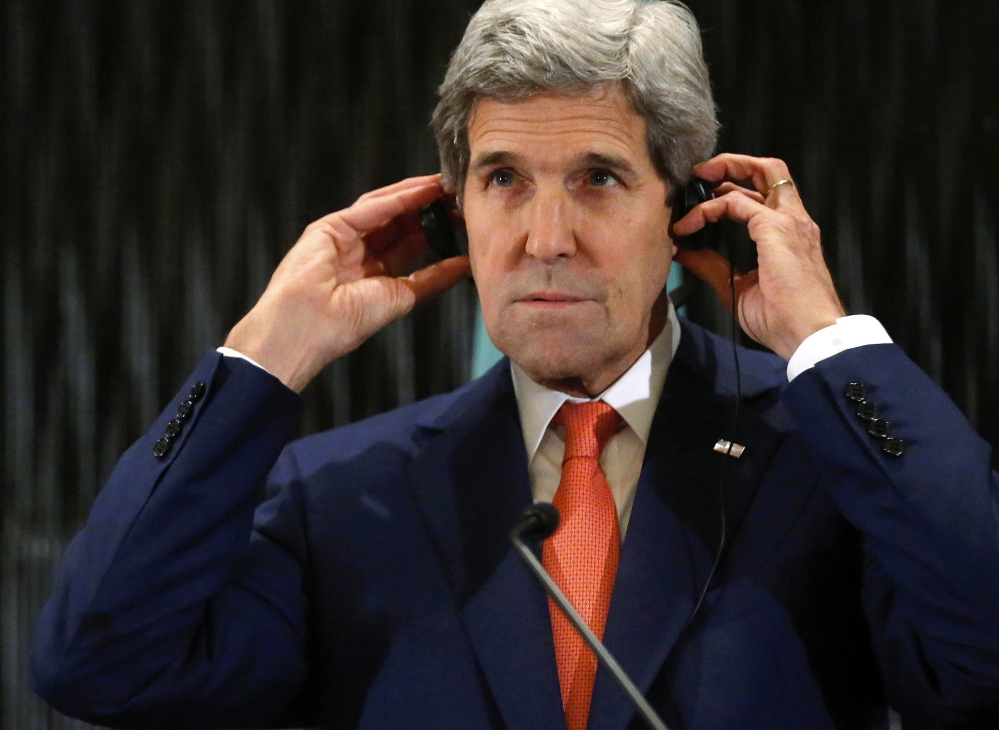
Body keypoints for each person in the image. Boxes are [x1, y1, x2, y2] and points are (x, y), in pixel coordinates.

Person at [31, 1, 999, 728]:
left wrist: (820, 337)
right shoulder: (342, 499)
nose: (545, 238)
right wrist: (265, 352)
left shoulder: (830, 465)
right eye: (503, 180)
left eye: (598, 178)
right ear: (458, 207)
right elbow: (98, 663)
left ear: (687, 206)